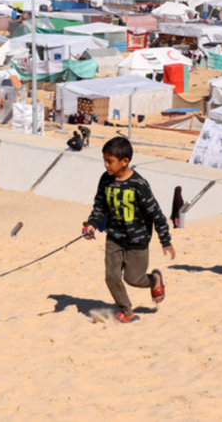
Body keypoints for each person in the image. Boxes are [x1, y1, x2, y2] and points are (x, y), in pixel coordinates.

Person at [83, 137, 175, 323]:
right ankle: (127, 311)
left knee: (133, 279)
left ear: (125, 161)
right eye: (104, 160)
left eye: (110, 161)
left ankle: (155, 279)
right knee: (111, 277)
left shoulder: (139, 184)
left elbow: (156, 214)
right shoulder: (105, 179)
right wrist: (92, 224)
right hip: (114, 238)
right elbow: (99, 205)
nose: (106, 165)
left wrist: (165, 241)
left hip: (137, 241)